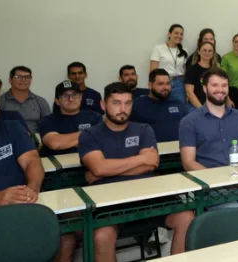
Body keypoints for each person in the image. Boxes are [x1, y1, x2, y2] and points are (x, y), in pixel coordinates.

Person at [77, 83, 194, 261]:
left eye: (128, 103)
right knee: (102, 236)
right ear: (103, 105)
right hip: (109, 202)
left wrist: (107, 171)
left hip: (148, 196)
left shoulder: (143, 129)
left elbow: (152, 163)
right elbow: (99, 167)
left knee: (187, 217)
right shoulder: (89, 135)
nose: (123, 109)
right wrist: (139, 159)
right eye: (116, 103)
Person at [180, 68, 238, 209]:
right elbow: (188, 162)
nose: (220, 90)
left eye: (224, 85)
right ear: (204, 88)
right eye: (214, 85)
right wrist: (220, 180)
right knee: (233, 210)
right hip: (210, 184)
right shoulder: (189, 121)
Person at [39, 81, 103, 157]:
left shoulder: (94, 116)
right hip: (60, 166)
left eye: (74, 94)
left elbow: (101, 140)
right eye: (65, 96)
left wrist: (67, 141)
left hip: (90, 163)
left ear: (81, 97)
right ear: (57, 101)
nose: (71, 99)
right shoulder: (48, 120)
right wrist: (91, 134)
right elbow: (55, 143)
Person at [130, 69, 189, 143]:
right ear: (150, 85)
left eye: (168, 83)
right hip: (150, 152)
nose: (165, 87)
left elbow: (189, 128)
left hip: (178, 151)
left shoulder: (178, 104)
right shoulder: (137, 105)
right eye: (160, 84)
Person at [0, 65, 51, 134]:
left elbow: (49, 125)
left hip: (35, 141)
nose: (23, 80)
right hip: (7, 140)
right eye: (19, 77)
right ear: (10, 80)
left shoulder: (40, 101)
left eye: (27, 77)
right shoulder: (0, 101)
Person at [150, 24, 188, 104]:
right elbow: (152, 70)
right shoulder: (158, 48)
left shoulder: (184, 50)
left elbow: (184, 70)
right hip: (163, 82)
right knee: (160, 106)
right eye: (176, 33)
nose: (179, 36)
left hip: (179, 84)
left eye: (181, 34)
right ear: (169, 34)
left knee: (179, 107)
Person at [184, 41, 219, 110]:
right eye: (204, 50)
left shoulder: (216, 70)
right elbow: (189, 92)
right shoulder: (191, 70)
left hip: (214, 107)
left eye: (210, 51)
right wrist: (202, 109)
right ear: (199, 52)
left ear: (213, 53)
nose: (207, 53)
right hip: (196, 107)